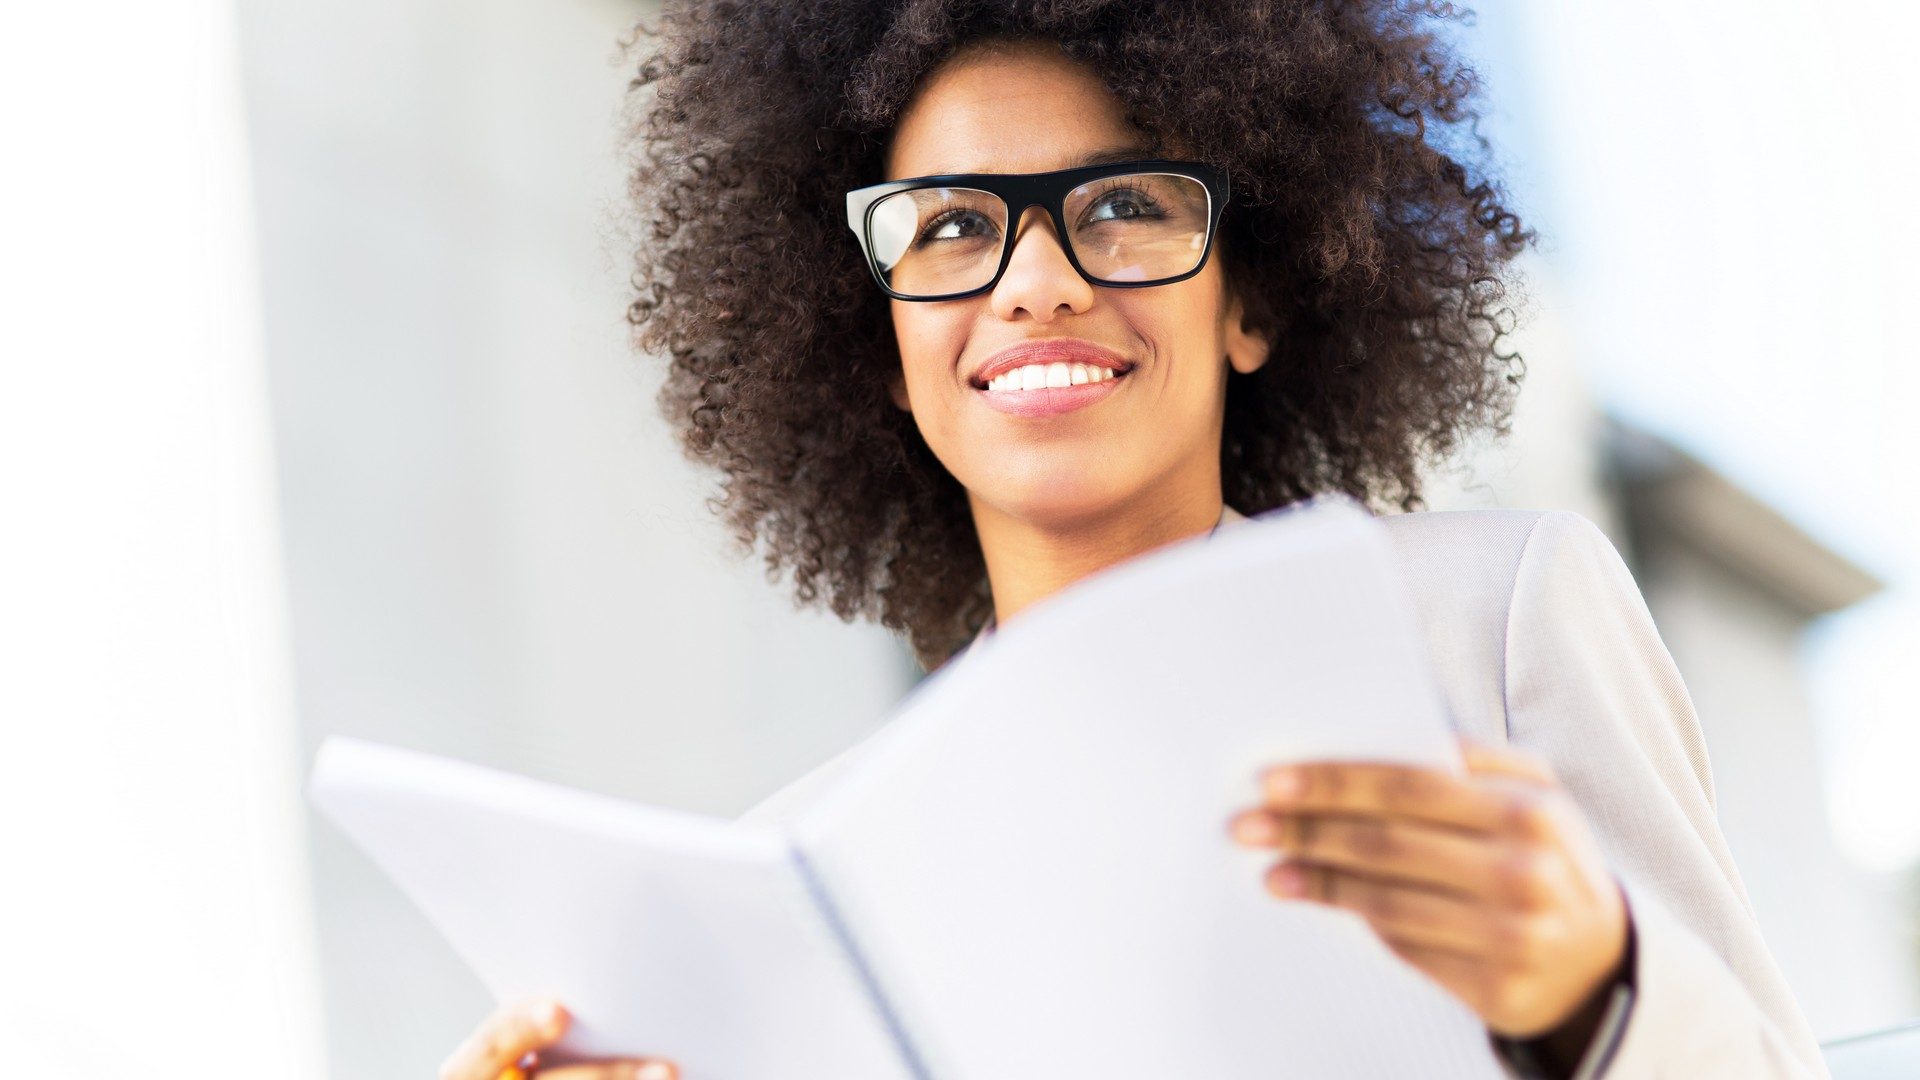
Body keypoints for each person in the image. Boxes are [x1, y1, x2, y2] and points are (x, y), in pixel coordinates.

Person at [439, 4, 1830, 1079]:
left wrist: (1597, 985)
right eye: (948, 229)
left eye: (1121, 207)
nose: (1035, 283)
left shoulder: (1496, 616)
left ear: (1253, 300)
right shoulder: (790, 865)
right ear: (882, 345)